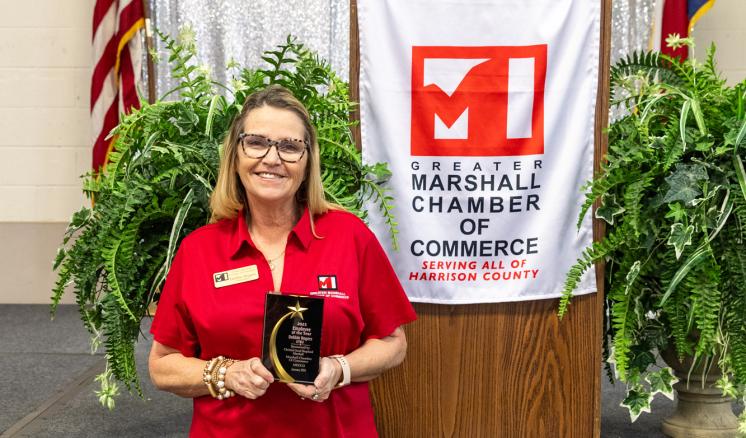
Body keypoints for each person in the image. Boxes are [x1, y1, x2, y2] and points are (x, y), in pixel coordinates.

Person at [148, 84, 416, 437]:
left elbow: (393, 343)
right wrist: (226, 374)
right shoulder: (199, 250)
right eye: (256, 142)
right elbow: (162, 365)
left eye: (290, 147)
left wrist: (339, 368)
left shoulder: (348, 236)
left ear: (307, 163)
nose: (272, 159)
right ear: (235, 155)